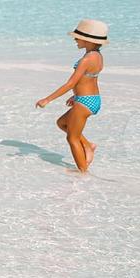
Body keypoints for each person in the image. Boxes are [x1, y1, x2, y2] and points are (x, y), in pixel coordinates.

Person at [35, 19, 107, 172]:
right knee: (62, 123)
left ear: (88, 40)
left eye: (77, 37)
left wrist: (47, 99)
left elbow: (70, 83)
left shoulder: (86, 59)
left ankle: (82, 171)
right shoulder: (97, 56)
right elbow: (89, 80)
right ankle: (88, 145)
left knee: (72, 138)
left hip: (84, 102)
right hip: (92, 99)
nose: (75, 39)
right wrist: (76, 96)